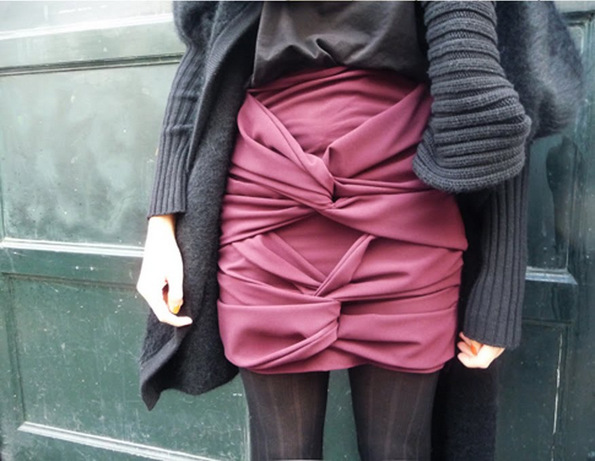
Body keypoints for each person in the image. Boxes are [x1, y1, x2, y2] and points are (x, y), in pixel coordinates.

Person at [136, 2, 583, 460]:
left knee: (398, 451)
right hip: (267, 204)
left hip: (408, 212)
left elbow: (499, 85)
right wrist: (162, 226)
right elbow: (202, 60)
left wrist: (498, 286)